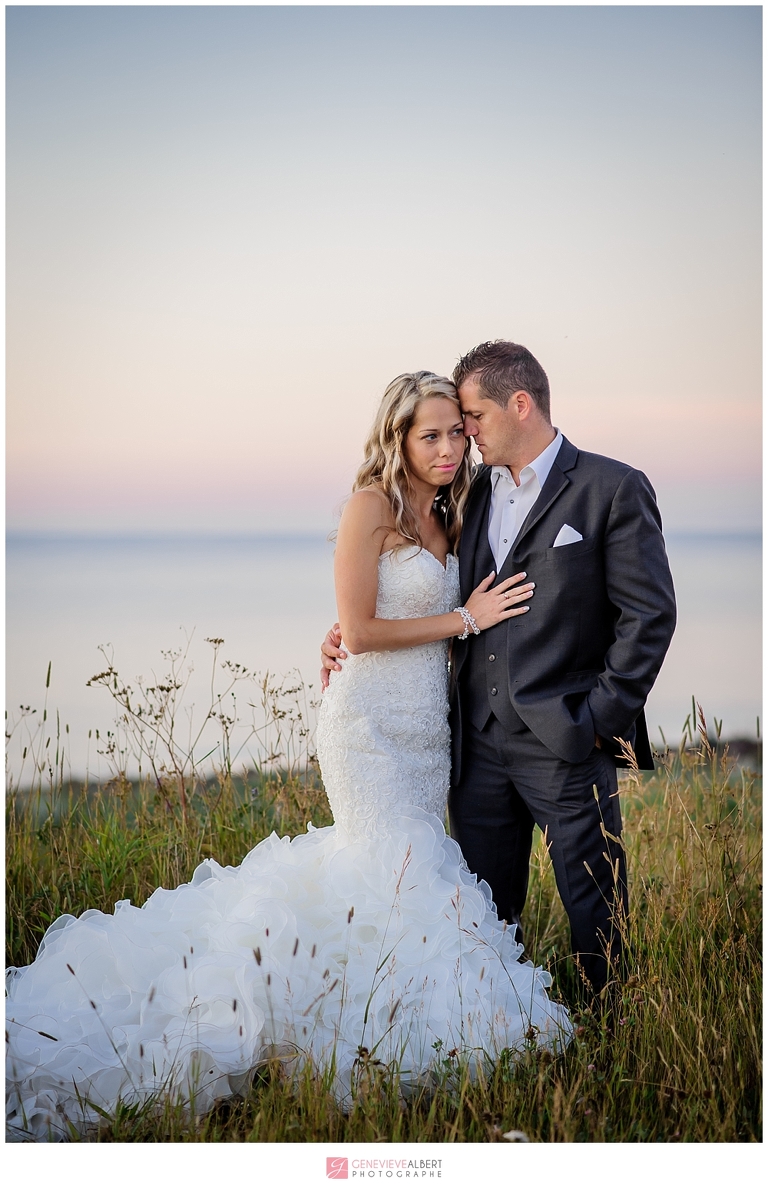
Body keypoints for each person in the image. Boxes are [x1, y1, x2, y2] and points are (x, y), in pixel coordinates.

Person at [6, 370, 571, 1143]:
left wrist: (463, 626)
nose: (446, 447)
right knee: (384, 863)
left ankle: (378, 1015)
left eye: (454, 432)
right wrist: (460, 620)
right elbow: (362, 630)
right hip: (366, 725)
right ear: (397, 438)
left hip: (428, 734)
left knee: (403, 878)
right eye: (428, 434)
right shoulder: (368, 507)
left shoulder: (454, 510)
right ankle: (313, 1029)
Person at [322, 341, 677, 998]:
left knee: (597, 908)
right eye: (449, 428)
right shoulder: (468, 494)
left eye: (471, 421)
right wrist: (348, 629)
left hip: (566, 740)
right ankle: (492, 1024)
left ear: (519, 404)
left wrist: (599, 720)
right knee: (480, 914)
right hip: (472, 746)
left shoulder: (611, 487)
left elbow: (649, 617)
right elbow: (426, 589)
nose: (463, 439)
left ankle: (612, 1028)